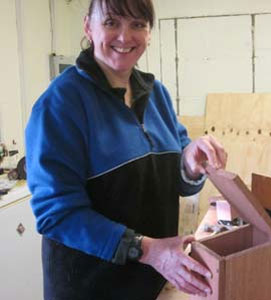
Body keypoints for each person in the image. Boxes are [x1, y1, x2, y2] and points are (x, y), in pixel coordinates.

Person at [25, 0, 227, 299]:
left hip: (153, 281)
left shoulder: (156, 94)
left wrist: (189, 161)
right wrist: (147, 250)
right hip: (91, 288)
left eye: (137, 25)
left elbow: (178, 178)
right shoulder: (60, 105)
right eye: (111, 23)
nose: (125, 36)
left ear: (148, 33)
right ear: (88, 27)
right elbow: (56, 214)